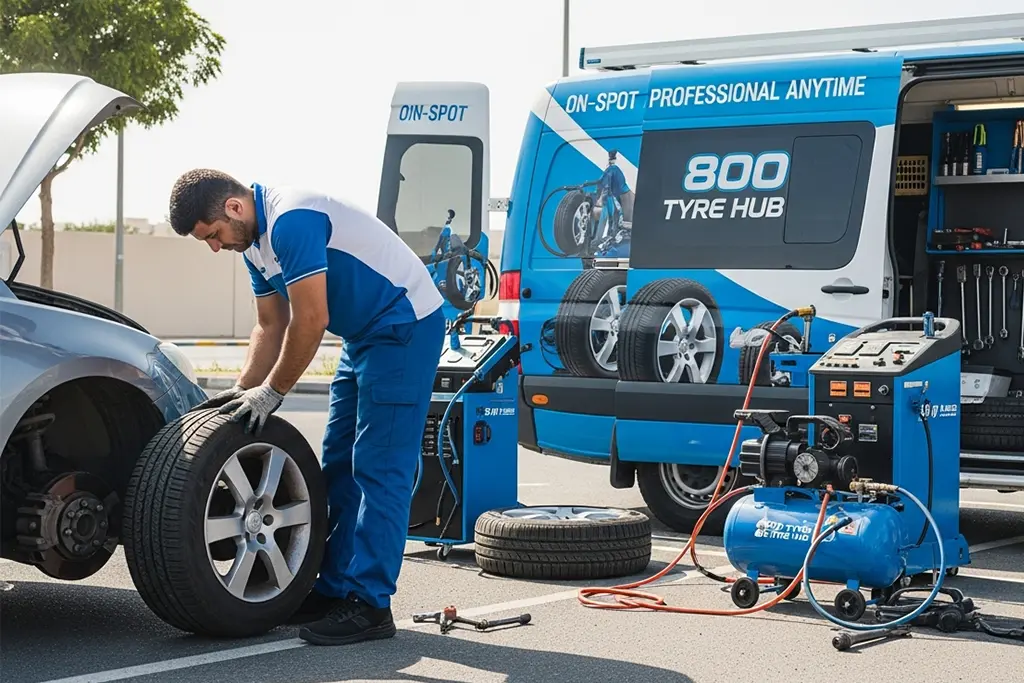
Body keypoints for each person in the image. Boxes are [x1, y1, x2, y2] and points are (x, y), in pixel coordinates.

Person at [168, 169, 446, 646]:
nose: (215, 247)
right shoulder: (252, 244)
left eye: (213, 235)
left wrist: (274, 393)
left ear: (233, 208)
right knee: (337, 463)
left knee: (380, 467)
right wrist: (243, 393)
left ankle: (371, 603)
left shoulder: (292, 218)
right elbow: (269, 326)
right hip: (363, 335)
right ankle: (334, 586)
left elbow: (311, 319)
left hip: (403, 325)